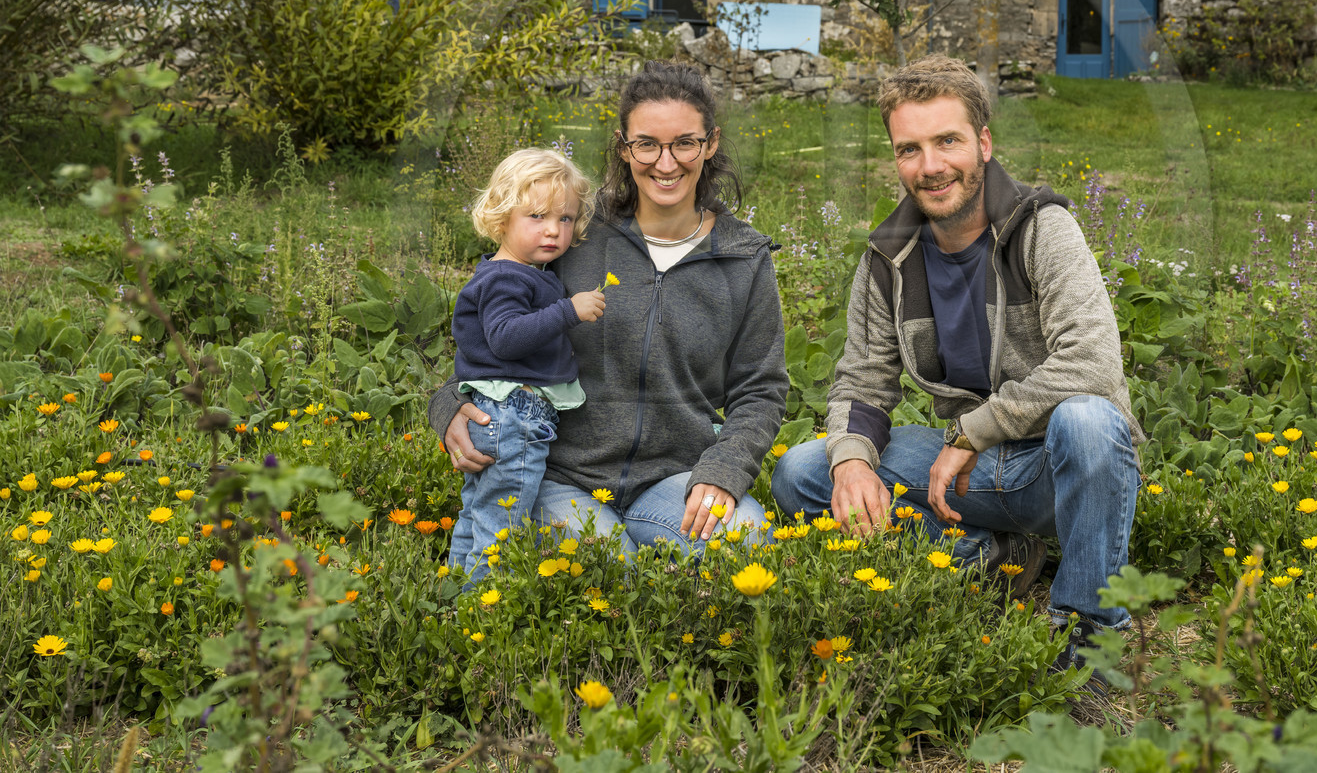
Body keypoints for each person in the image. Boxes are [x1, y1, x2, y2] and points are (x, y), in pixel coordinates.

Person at [770, 54, 1141, 670]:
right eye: (909, 149)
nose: (931, 166)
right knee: (803, 473)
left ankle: (1091, 635)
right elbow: (863, 378)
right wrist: (853, 462)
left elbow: (1094, 365)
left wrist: (973, 432)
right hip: (970, 473)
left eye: (948, 141)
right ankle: (986, 555)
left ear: (984, 143)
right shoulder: (888, 257)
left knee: (1089, 420)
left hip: (1059, 466)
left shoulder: (1041, 229)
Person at [429, 62, 787, 559]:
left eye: (684, 142)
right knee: (607, 565)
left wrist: (723, 471)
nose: (666, 163)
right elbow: (491, 324)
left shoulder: (742, 257)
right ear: (624, 146)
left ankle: (639, 545)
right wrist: (448, 404)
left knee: (745, 535)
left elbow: (761, 389)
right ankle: (616, 553)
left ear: (710, 143)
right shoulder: (573, 231)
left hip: (671, 479)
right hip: (560, 475)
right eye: (647, 144)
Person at [448, 148, 608, 582]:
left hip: (500, 414)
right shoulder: (508, 277)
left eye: (566, 219)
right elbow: (506, 338)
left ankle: (450, 594)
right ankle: (481, 607)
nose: (554, 231)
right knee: (501, 523)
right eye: (537, 217)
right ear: (501, 219)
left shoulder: (523, 271)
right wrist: (568, 311)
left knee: (477, 512)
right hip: (514, 416)